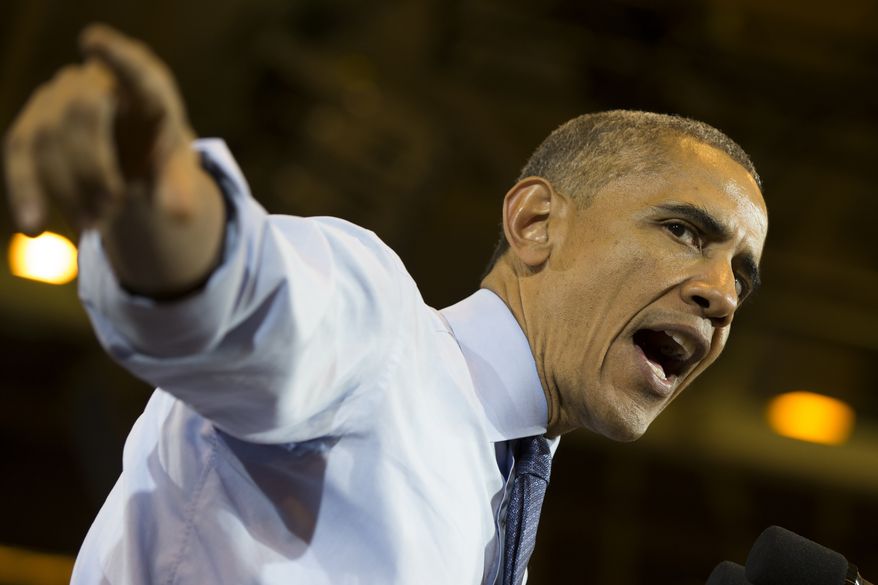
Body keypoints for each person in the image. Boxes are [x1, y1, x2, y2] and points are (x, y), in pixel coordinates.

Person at [3, 24, 768, 585]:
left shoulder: (497, 509)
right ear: (536, 223)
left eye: (742, 273)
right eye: (683, 229)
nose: (723, 294)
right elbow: (249, 304)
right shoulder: (377, 336)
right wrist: (162, 216)